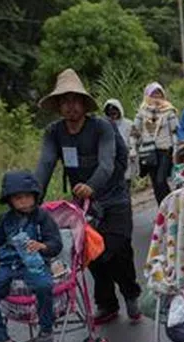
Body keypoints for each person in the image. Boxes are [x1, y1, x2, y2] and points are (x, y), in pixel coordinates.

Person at [35, 68, 142, 325]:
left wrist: (92, 185)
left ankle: (130, 294)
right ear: (58, 106)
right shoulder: (54, 132)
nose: (70, 106)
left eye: (75, 100)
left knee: (116, 250)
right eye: (64, 101)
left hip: (114, 198)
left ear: (84, 103)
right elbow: (45, 166)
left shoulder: (102, 127)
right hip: (84, 204)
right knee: (89, 253)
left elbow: (107, 164)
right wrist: (30, 201)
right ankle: (106, 303)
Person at [0, 171, 63, 342]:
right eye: (18, 198)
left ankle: (46, 330)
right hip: (8, 265)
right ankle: (2, 339)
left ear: (35, 196)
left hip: (34, 264)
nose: (23, 201)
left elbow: (56, 243)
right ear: (10, 200)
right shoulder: (4, 220)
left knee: (44, 286)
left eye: (27, 196)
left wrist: (42, 246)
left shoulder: (42, 217)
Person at [131, 82, 180, 204]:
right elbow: (135, 132)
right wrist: (132, 148)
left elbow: (174, 131)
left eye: (159, 94)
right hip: (148, 151)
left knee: (161, 180)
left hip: (165, 149)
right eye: (153, 94)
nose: (157, 97)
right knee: (155, 183)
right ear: (147, 95)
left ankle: (171, 204)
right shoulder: (142, 112)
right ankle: (162, 209)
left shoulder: (169, 111)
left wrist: (175, 149)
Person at [103, 99, 138, 190]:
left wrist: (133, 149)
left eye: (114, 111)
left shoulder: (129, 124)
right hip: (110, 159)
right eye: (109, 112)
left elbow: (134, 138)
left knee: (125, 183)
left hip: (126, 157)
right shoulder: (104, 126)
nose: (112, 114)